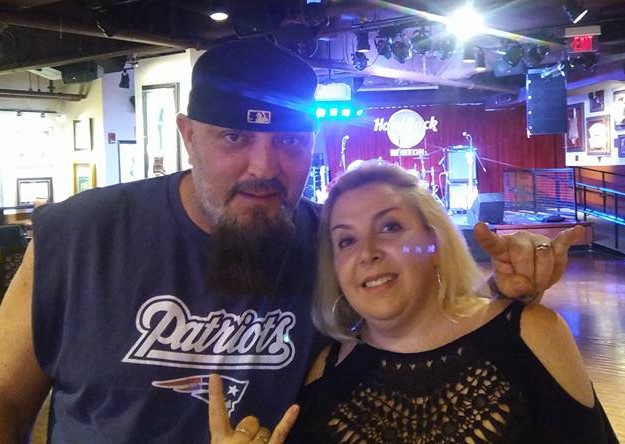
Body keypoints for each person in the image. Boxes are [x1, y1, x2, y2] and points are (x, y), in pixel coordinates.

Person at [0, 38, 581, 443]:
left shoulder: (336, 244)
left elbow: (425, 324)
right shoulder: (79, 236)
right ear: (188, 136)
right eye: (234, 138)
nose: (265, 167)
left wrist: (503, 290)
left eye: (289, 142)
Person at [283, 161, 617, 443]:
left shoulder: (531, 335)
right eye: (346, 240)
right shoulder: (325, 372)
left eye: (389, 226)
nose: (367, 252)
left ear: (434, 242)